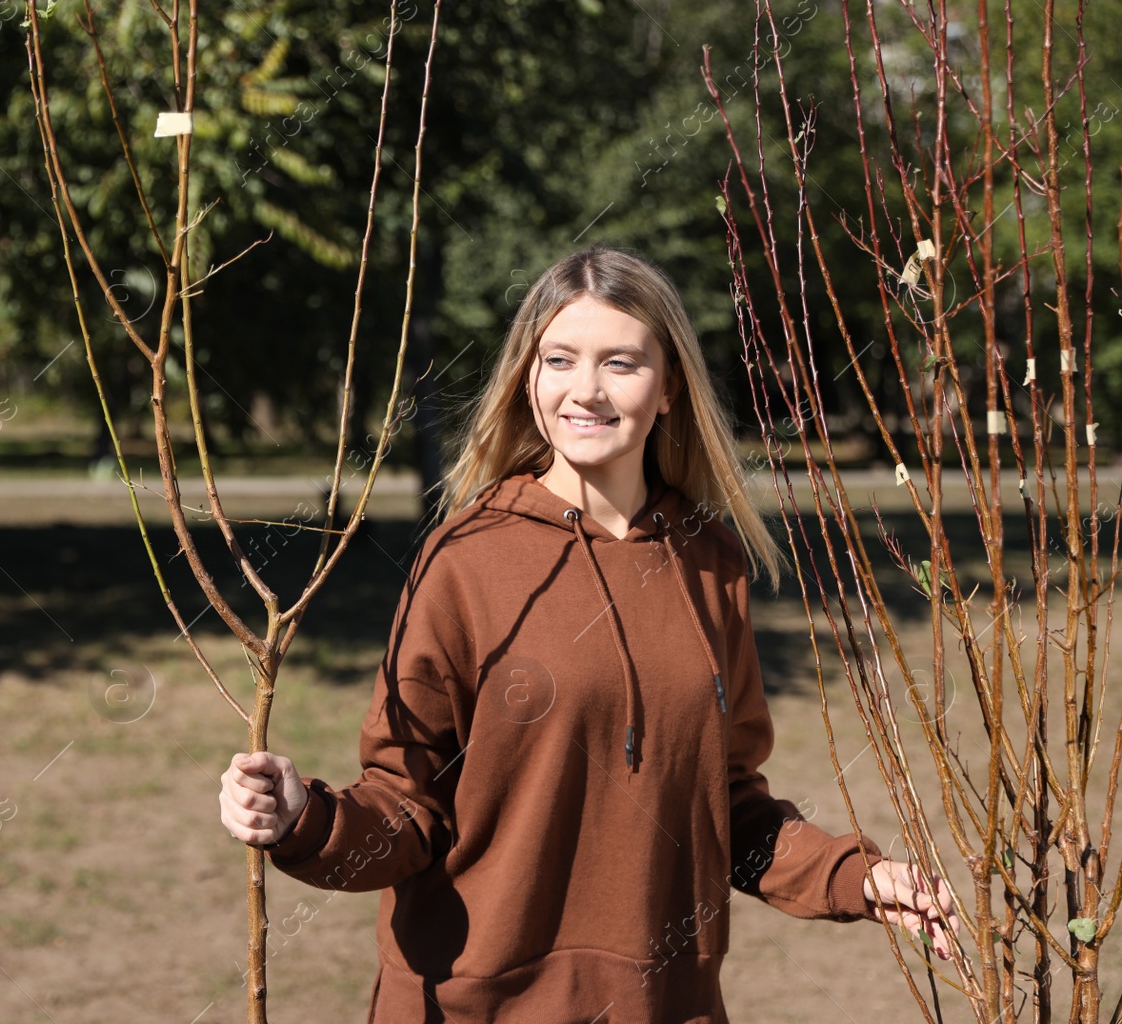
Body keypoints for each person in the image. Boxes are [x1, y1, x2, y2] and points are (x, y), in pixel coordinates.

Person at [219, 244, 958, 1022]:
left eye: (621, 363)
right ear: (529, 377)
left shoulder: (710, 561)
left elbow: (728, 808)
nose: (586, 390)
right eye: (560, 358)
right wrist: (306, 818)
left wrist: (862, 877)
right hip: (475, 1005)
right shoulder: (464, 557)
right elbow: (410, 804)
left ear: (670, 385)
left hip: (663, 1003)